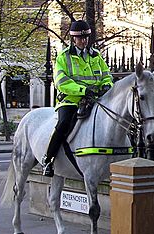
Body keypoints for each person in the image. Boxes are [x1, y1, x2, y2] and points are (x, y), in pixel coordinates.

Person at [42, 20, 113, 177]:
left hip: (94, 99)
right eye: (80, 38)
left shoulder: (96, 56)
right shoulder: (64, 57)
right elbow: (61, 82)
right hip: (70, 100)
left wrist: (107, 85)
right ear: (73, 39)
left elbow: (106, 75)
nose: (84, 41)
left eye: (86, 37)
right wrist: (82, 90)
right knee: (63, 123)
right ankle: (48, 159)